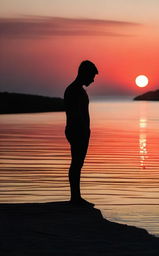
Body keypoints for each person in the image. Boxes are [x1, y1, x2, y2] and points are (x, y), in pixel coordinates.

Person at [64, 60, 98, 206]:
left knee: (78, 163)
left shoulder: (78, 90)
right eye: (91, 76)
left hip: (81, 131)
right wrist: (82, 131)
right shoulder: (74, 90)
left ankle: (76, 197)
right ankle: (75, 198)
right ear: (85, 73)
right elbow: (75, 114)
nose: (93, 80)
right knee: (76, 163)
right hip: (77, 131)